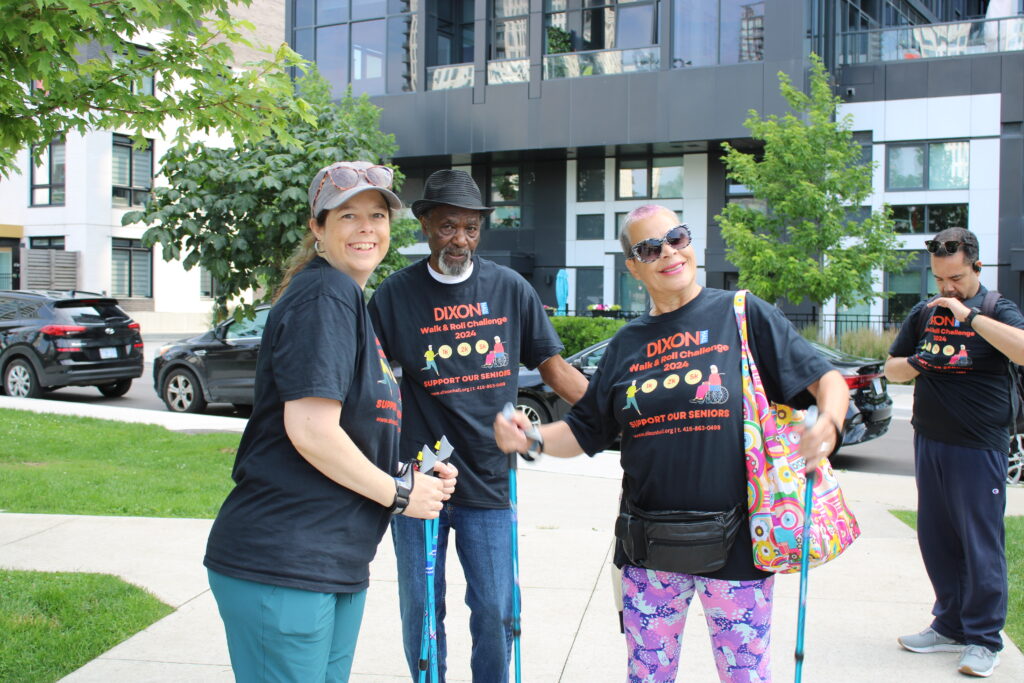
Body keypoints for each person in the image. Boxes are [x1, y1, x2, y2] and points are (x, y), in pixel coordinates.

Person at [494, 204, 848, 682]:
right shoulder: (626, 345)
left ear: (691, 242)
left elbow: (827, 379)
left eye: (676, 238)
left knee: (746, 676)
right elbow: (582, 432)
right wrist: (530, 437)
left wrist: (829, 421)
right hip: (648, 554)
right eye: (650, 248)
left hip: (740, 548)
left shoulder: (741, 313)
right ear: (633, 266)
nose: (668, 253)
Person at [204, 161, 457, 683]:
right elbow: (311, 430)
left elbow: (349, 434)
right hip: (284, 560)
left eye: (377, 215)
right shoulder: (324, 295)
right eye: (348, 215)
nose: (366, 228)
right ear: (317, 227)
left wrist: (409, 474)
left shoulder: (348, 302)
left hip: (332, 560)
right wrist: (400, 495)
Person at [368, 169, 589, 682]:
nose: (460, 240)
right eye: (448, 227)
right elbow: (369, 384)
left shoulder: (510, 290)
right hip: (419, 478)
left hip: (490, 478)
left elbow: (555, 370)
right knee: (422, 611)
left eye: (471, 228)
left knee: (496, 611)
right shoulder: (395, 296)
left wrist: (621, 415)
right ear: (424, 224)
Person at [886, 227, 1024, 678]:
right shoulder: (923, 313)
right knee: (937, 541)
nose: (947, 288)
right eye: (940, 279)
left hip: (978, 445)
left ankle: (984, 639)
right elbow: (893, 370)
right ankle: (949, 625)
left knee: (980, 544)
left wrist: (967, 315)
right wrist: (918, 363)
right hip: (930, 440)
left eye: (957, 278)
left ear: (977, 268)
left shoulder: (995, 309)